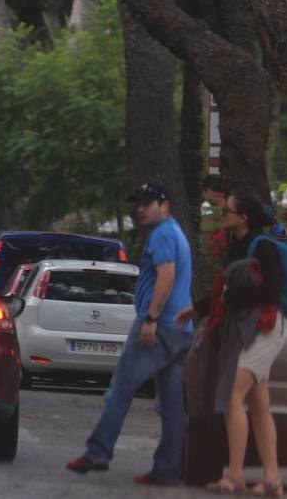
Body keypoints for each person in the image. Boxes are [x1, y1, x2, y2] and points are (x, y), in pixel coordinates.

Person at [66, 182, 193, 485]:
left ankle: (98, 452)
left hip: (159, 325)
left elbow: (166, 276)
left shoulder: (162, 235)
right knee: (172, 403)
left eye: (148, 203)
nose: (141, 209)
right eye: (139, 203)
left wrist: (151, 317)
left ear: (165, 205)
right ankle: (169, 469)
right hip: (181, 329)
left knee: (121, 388)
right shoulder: (177, 233)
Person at [179, 192, 286, 496]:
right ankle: (272, 480)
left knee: (231, 397)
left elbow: (272, 290)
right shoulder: (237, 246)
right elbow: (223, 291)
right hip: (245, 329)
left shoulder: (263, 245)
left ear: (243, 217)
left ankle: (235, 476)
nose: (221, 213)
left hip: (262, 329)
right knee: (259, 406)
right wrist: (197, 309)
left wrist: (232, 299)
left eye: (227, 210)